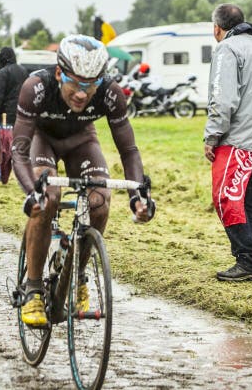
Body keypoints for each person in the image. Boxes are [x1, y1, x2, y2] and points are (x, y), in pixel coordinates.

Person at [11, 35, 154, 326]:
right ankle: (34, 288)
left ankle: (76, 273)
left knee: (100, 202)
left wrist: (138, 196)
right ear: (58, 73)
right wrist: (31, 193)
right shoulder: (35, 88)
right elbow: (19, 150)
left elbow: (128, 150)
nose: (82, 93)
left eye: (91, 86)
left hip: (81, 141)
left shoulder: (111, 93)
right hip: (44, 140)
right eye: (75, 83)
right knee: (47, 198)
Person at [204, 4, 252, 282]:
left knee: (225, 198)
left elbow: (223, 98)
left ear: (217, 28)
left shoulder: (227, 49)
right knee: (251, 204)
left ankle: (246, 259)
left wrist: (212, 136)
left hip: (239, 139)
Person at [0, 46, 28, 181]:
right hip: (22, 113)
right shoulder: (23, 70)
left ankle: (1, 173)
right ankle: (22, 173)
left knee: (3, 145)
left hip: (5, 115)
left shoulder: (2, 73)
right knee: (19, 144)